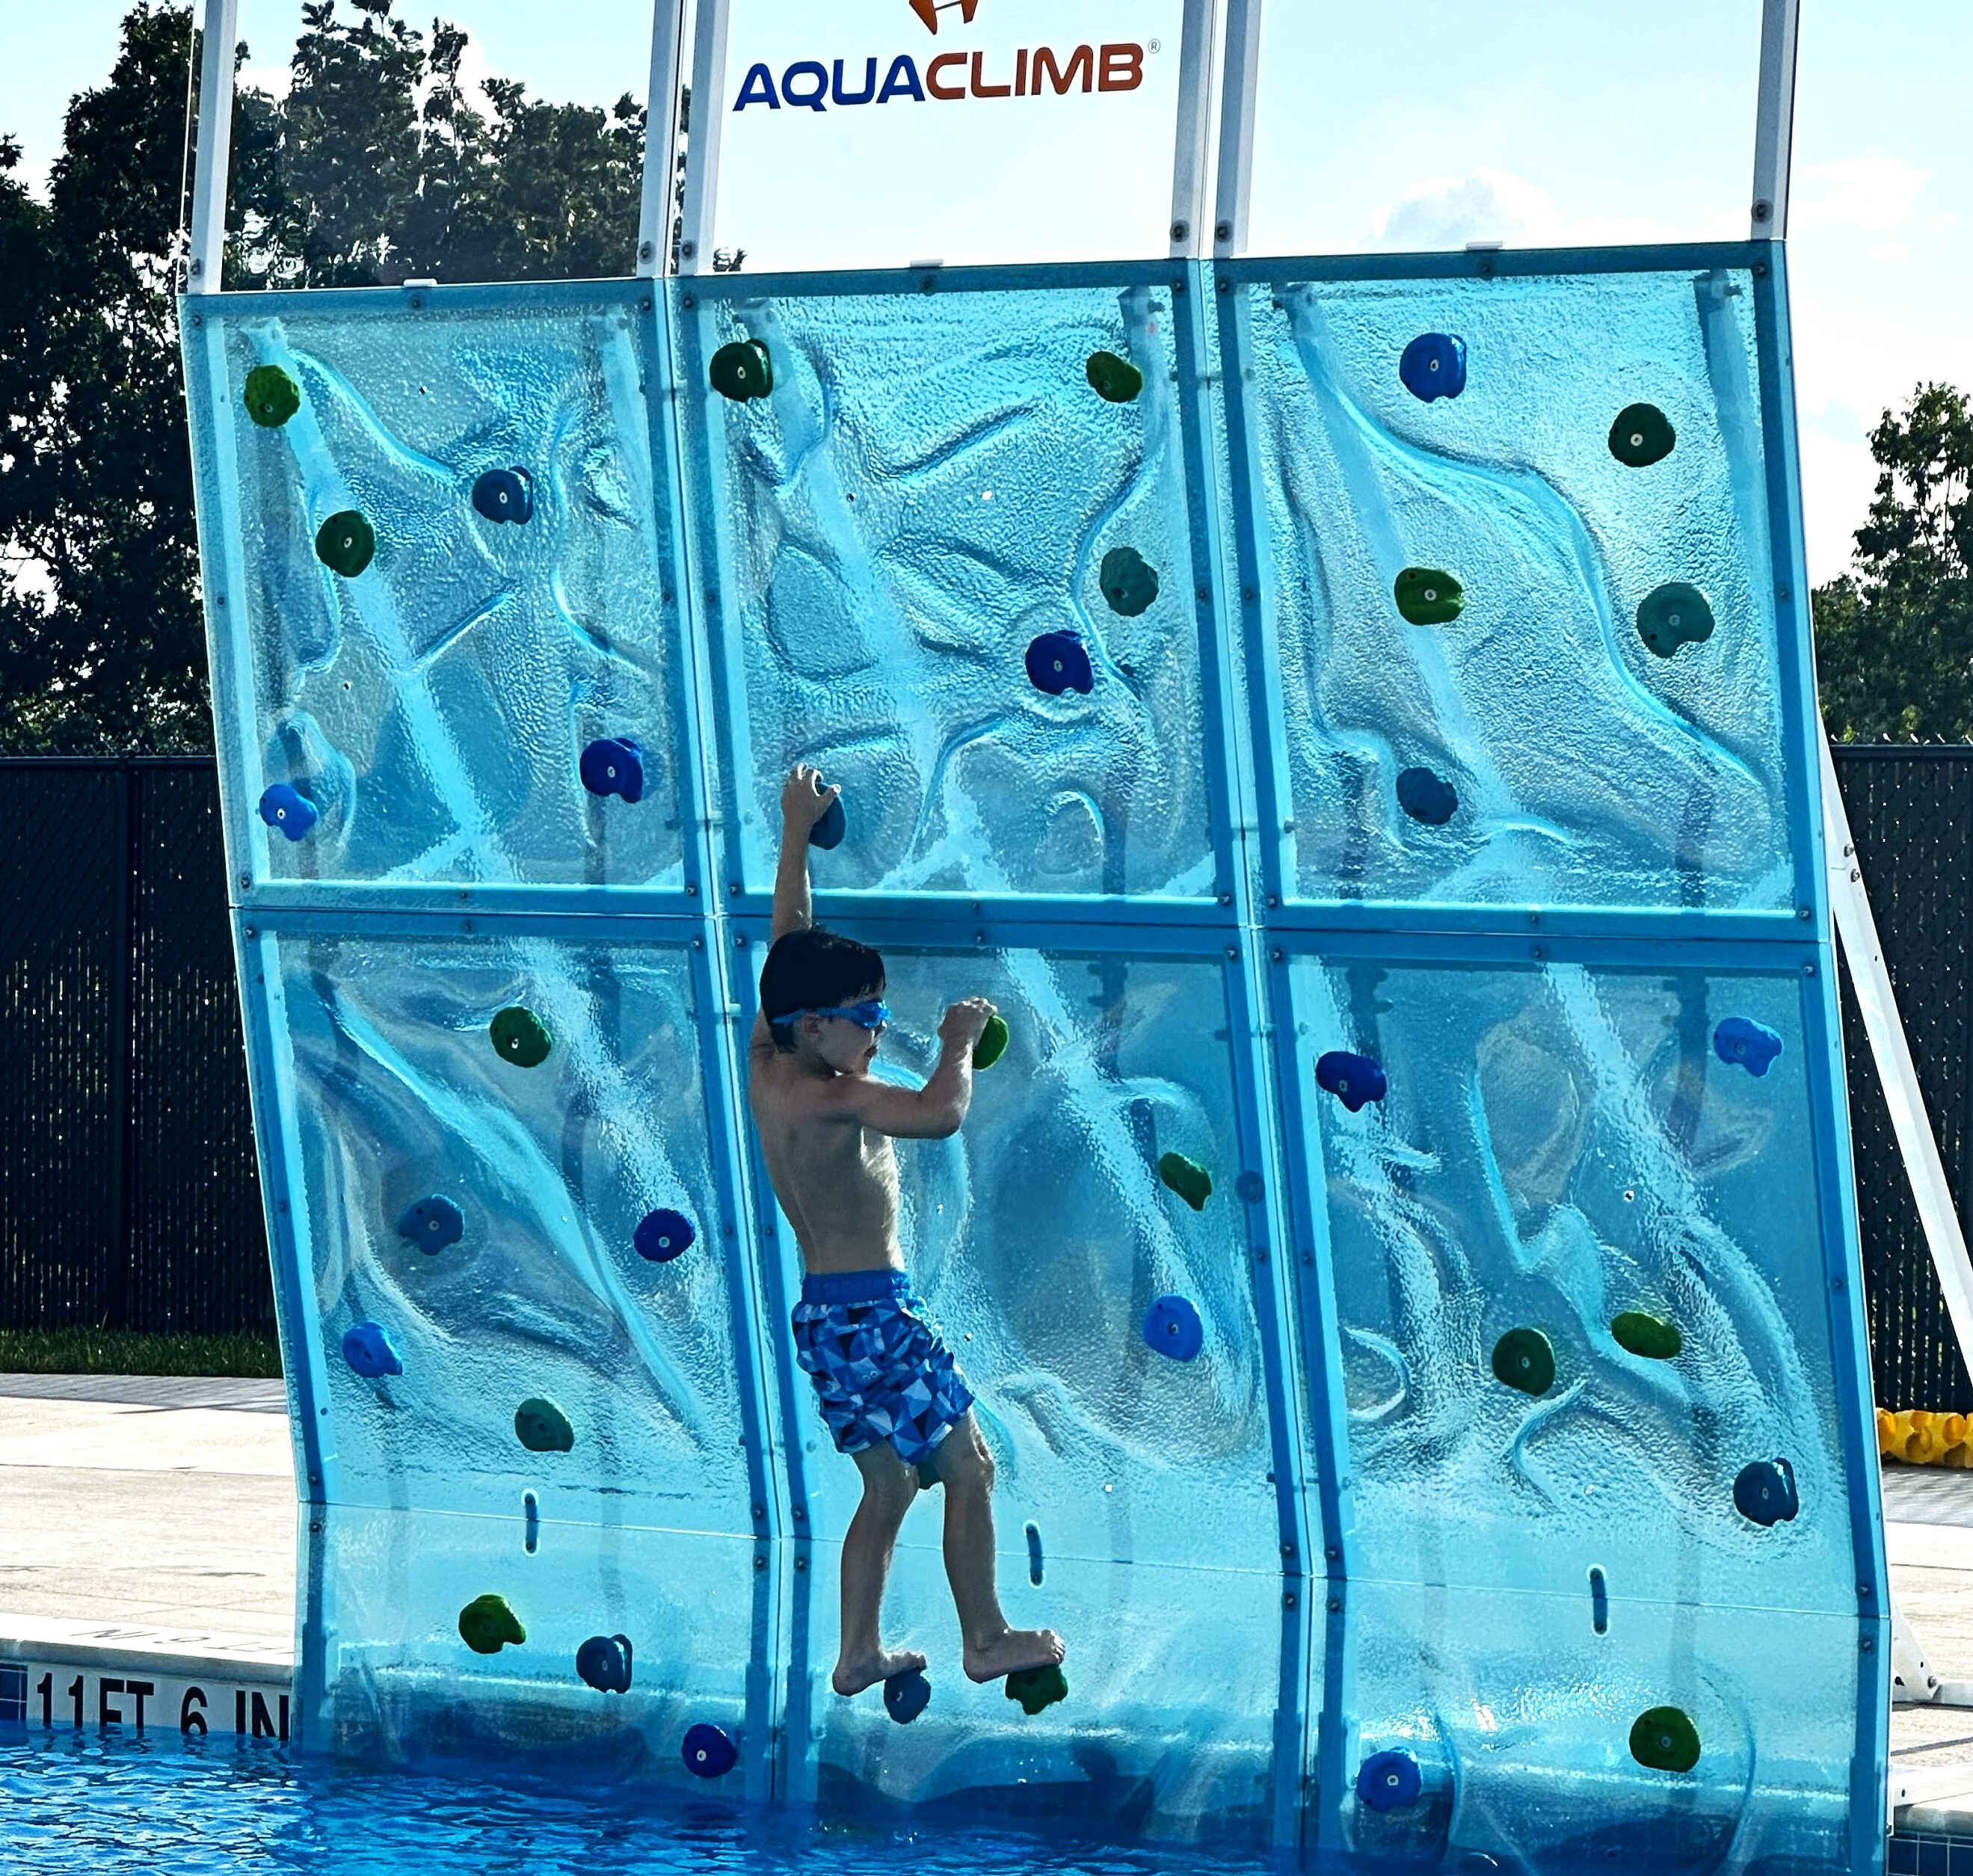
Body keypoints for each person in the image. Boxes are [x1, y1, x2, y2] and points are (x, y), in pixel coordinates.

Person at [748, 764, 1065, 1701]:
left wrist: (796, 832)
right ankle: (986, 1636)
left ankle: (856, 1652)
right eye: (868, 1019)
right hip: (877, 1316)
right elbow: (937, 1115)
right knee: (969, 1465)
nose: (879, 1032)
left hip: (823, 1318)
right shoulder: (835, 1095)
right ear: (816, 1026)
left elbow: (787, 939)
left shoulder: (768, 1058)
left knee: (886, 1487)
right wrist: (958, 1040)